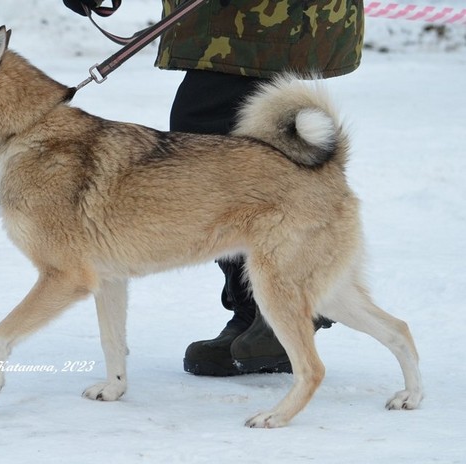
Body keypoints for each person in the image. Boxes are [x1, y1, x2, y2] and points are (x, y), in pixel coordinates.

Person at [63, 0, 365, 376]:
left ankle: (285, 299)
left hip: (261, 17)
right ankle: (267, 304)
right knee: (222, 125)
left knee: (207, 126)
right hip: (230, 22)